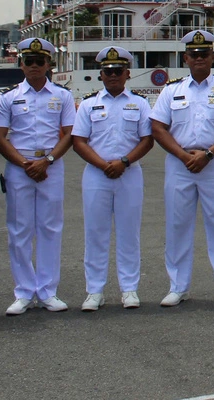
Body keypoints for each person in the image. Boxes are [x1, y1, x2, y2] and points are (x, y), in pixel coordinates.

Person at [150, 30, 214, 307]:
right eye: (194, 55)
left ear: (212, 57)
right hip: (180, 165)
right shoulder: (172, 90)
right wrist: (183, 156)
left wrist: (208, 154)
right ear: (186, 58)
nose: (199, 59)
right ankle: (178, 286)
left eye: (204, 54)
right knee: (177, 226)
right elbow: (158, 127)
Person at [0, 37, 76, 316]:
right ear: (21, 64)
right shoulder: (8, 97)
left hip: (51, 166)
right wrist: (26, 164)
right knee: (19, 230)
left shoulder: (62, 96)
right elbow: (0, 137)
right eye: (29, 61)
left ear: (49, 64)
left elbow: (68, 135)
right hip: (20, 166)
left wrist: (47, 161)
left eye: (41, 61)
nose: (35, 66)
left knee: (50, 228)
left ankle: (48, 291)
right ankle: (25, 291)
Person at [70, 46, 154, 311]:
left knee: (129, 233)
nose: (113, 75)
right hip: (97, 174)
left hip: (129, 173)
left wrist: (125, 162)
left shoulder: (140, 103)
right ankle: (94, 291)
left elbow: (147, 139)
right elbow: (78, 141)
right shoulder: (88, 104)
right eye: (108, 71)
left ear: (127, 73)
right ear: (101, 75)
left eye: (118, 71)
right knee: (95, 233)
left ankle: (129, 289)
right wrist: (103, 165)